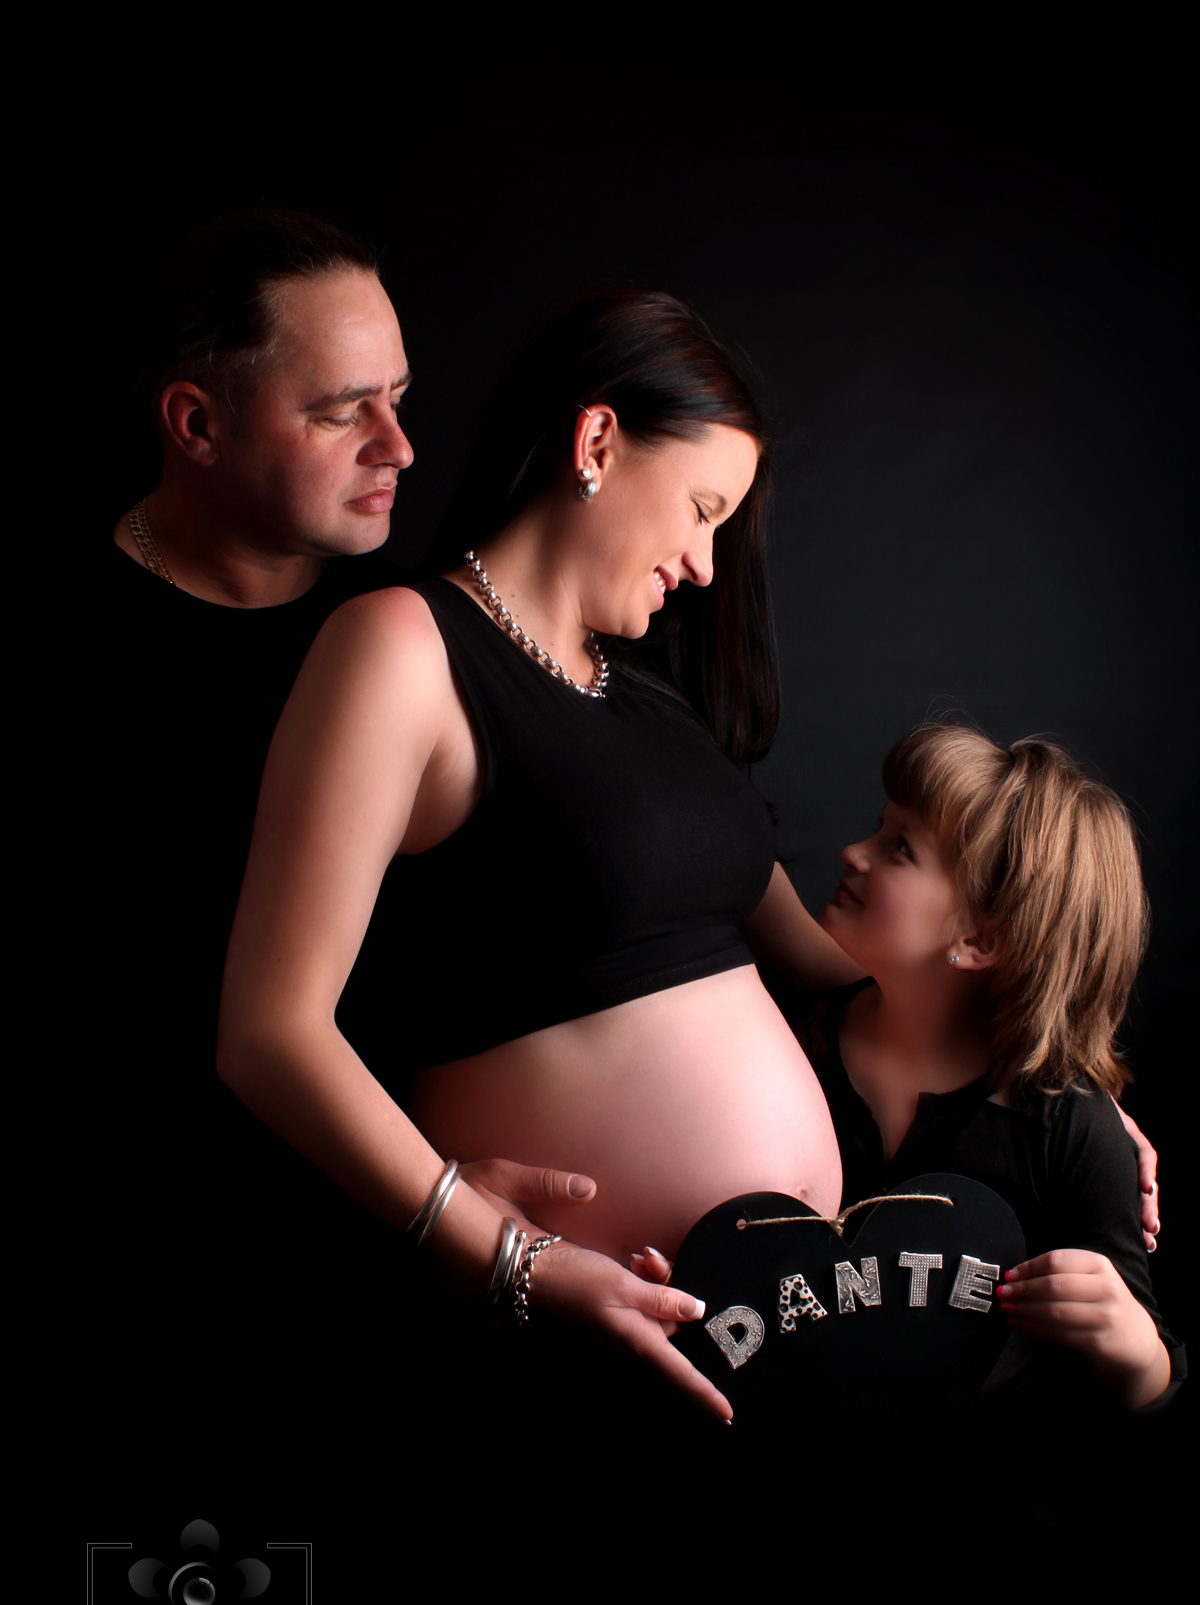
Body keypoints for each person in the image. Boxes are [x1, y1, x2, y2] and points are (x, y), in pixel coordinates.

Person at [216, 289, 1162, 1442]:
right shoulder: (404, 649)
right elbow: (270, 1032)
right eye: (704, 509)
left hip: (783, 1329)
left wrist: (1051, 1087)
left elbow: (830, 970)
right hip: (562, 1322)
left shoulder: (651, 697)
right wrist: (497, 1248)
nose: (708, 565)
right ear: (597, 443)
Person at [80, 211, 585, 1471]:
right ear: (196, 425)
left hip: (405, 1284)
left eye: (400, 398)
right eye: (339, 411)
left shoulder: (418, 634)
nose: (400, 446)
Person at [786, 721, 1184, 1412]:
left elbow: (1148, 1385)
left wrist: (1137, 1351)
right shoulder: (799, 1043)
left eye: (899, 848)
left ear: (978, 939)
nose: (853, 853)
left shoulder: (1071, 1132)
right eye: (878, 828)